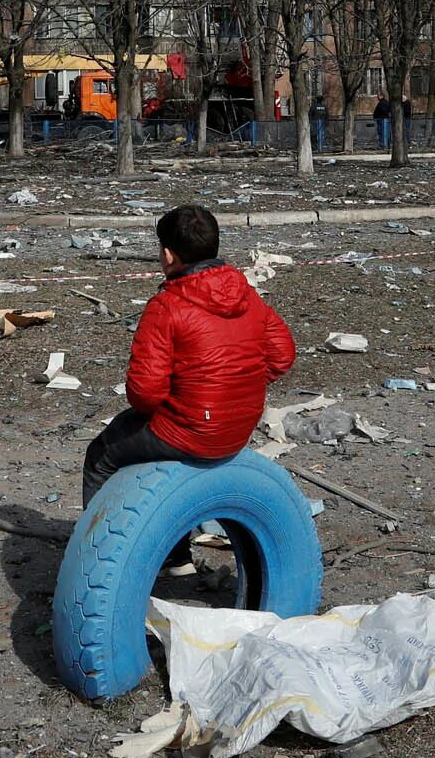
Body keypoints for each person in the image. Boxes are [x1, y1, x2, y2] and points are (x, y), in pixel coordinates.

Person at [82, 205, 295, 574]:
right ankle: (175, 555)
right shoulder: (246, 293)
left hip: (188, 429)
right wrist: (238, 387)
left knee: (102, 454)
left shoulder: (168, 305)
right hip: (239, 425)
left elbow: (145, 393)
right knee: (153, 452)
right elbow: (282, 354)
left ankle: (100, 561)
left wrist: (190, 402)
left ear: (167, 255)